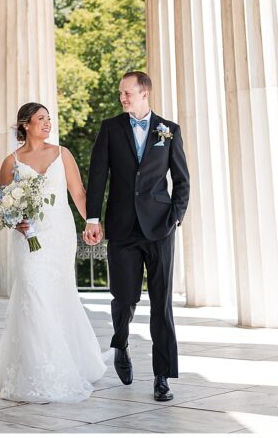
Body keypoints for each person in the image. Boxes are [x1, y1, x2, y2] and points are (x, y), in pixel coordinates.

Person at [0, 102, 111, 403]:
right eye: (41, 119)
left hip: (60, 235)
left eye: (49, 119)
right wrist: (16, 221)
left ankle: (69, 361)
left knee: (60, 295)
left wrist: (91, 222)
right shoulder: (11, 162)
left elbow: (78, 193)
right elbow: (1, 205)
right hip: (28, 239)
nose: (48, 124)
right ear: (25, 125)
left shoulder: (63, 154)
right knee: (33, 294)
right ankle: (38, 371)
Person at [84, 71, 189, 403]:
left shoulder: (168, 130)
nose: (122, 98)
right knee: (124, 298)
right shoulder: (110, 129)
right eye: (120, 94)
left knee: (162, 303)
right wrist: (93, 217)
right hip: (123, 228)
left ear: (144, 93)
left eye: (127, 92)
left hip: (160, 228)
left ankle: (161, 378)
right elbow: (98, 173)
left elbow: (182, 179)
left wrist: (175, 217)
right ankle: (121, 344)